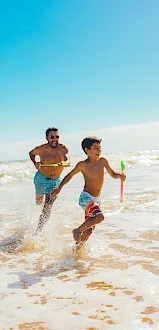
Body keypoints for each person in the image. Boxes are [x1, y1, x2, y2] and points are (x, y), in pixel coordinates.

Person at [51, 136, 126, 246]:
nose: (99, 150)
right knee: (100, 217)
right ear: (87, 150)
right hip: (86, 198)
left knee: (89, 230)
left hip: (96, 199)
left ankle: (76, 249)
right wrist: (59, 187)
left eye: (100, 148)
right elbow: (69, 175)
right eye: (96, 148)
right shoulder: (83, 165)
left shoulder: (103, 161)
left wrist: (120, 176)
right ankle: (77, 230)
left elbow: (113, 174)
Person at [29, 127, 70, 234]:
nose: (55, 139)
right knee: (39, 202)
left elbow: (68, 161)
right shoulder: (41, 149)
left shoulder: (63, 148)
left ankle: (38, 231)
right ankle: (42, 214)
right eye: (52, 137)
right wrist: (35, 163)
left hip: (55, 182)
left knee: (48, 205)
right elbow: (31, 153)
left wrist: (64, 163)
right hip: (40, 179)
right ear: (47, 138)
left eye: (57, 137)